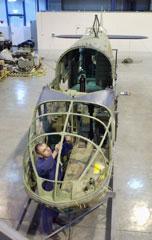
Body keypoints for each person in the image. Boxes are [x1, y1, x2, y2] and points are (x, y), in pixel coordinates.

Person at [35, 136, 73, 237]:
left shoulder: (50, 153)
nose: (48, 150)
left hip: (57, 185)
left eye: (47, 147)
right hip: (48, 190)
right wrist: (55, 152)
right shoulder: (40, 164)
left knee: (56, 206)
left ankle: (55, 218)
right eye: (44, 150)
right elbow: (47, 165)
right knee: (47, 210)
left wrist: (67, 141)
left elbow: (64, 150)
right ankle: (49, 231)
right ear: (40, 154)